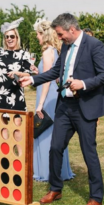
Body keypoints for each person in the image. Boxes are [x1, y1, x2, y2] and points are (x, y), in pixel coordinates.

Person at [20, 13, 104, 205]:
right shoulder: (66, 46)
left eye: (61, 34)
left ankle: (96, 198)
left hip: (85, 107)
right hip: (65, 106)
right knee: (55, 148)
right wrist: (33, 79)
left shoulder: (94, 45)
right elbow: (56, 71)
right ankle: (55, 189)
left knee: (89, 153)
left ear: (71, 29)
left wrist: (83, 83)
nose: (59, 38)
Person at [31, 18, 75, 182]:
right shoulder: (55, 51)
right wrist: (38, 71)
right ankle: (57, 170)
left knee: (45, 131)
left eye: (37, 33)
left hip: (47, 97)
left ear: (43, 34)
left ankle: (46, 172)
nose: (37, 37)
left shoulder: (48, 52)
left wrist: (40, 104)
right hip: (53, 96)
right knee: (55, 133)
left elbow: (48, 81)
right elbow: (51, 75)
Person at [0, 17, 32, 111]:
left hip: (15, 95)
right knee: (1, 126)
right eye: (7, 37)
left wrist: (18, 73)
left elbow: (28, 73)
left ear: (17, 37)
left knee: (16, 125)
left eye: (12, 36)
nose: (9, 39)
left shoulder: (24, 54)